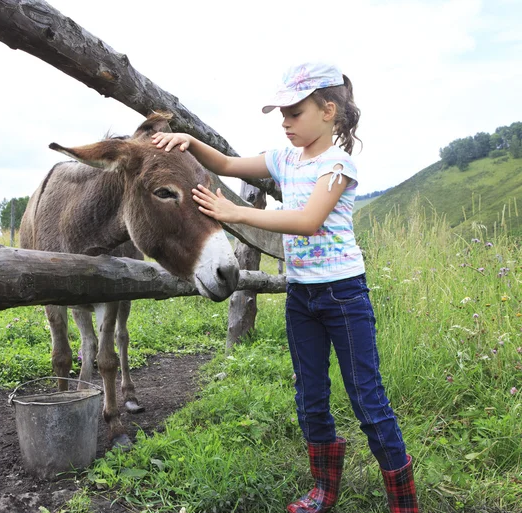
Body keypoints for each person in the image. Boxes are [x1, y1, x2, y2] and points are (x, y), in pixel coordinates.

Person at [152, 62, 419, 513]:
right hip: (303, 297)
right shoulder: (283, 159)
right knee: (310, 396)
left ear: (328, 111)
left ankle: (403, 500)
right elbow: (227, 163)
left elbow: (307, 221)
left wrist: (236, 213)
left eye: (294, 112)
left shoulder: (337, 165)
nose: (285, 122)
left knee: (367, 398)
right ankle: (322, 489)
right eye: (282, 114)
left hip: (343, 296)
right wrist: (189, 141)